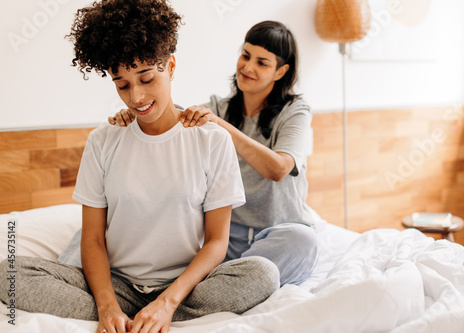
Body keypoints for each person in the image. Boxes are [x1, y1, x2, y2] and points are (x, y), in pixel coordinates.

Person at [0, 1, 280, 333]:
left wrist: (167, 302)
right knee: (10, 273)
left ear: (171, 66)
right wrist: (106, 307)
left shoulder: (211, 141)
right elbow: (92, 238)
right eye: (122, 84)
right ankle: (129, 318)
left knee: (264, 273)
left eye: (146, 78)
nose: (136, 97)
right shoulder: (103, 141)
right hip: (116, 286)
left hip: (183, 287)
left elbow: (217, 241)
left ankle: (153, 316)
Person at [109, 20, 320, 286]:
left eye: (262, 63)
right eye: (245, 55)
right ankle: (226, 285)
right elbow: (172, 117)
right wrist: (139, 110)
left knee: (303, 242)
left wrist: (220, 125)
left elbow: (278, 168)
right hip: (225, 237)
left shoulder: (295, 110)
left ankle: (227, 284)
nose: (247, 67)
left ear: (281, 72)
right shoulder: (219, 108)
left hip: (277, 232)